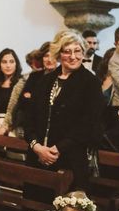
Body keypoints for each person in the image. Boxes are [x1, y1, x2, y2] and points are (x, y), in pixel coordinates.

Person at [23, 29, 105, 189]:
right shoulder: (45, 81)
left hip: (71, 159)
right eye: (67, 52)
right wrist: (37, 147)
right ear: (58, 54)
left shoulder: (91, 82)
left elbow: (89, 124)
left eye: (77, 51)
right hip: (37, 157)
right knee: (35, 209)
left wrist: (57, 149)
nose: (73, 57)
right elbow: (29, 119)